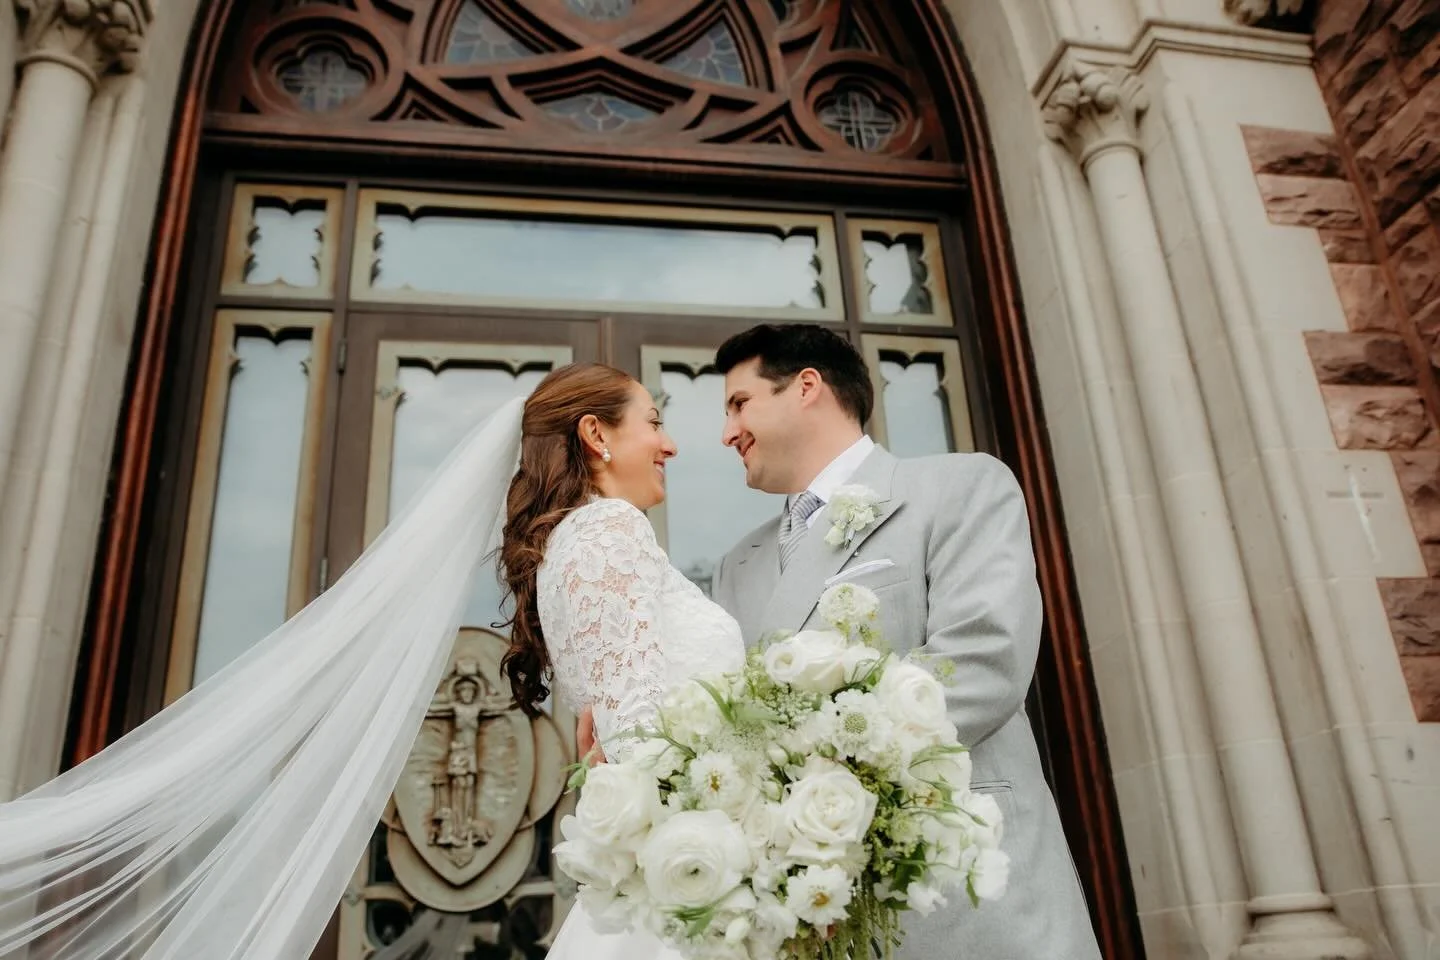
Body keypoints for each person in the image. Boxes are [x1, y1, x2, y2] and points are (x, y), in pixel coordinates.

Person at [578, 324, 1101, 960]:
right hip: (812, 917)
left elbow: (984, 662)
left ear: (806, 388)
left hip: (958, 889)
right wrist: (644, 738)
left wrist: (808, 777)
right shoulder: (736, 565)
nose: (724, 434)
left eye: (739, 404)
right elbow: (728, 716)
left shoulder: (960, 488)